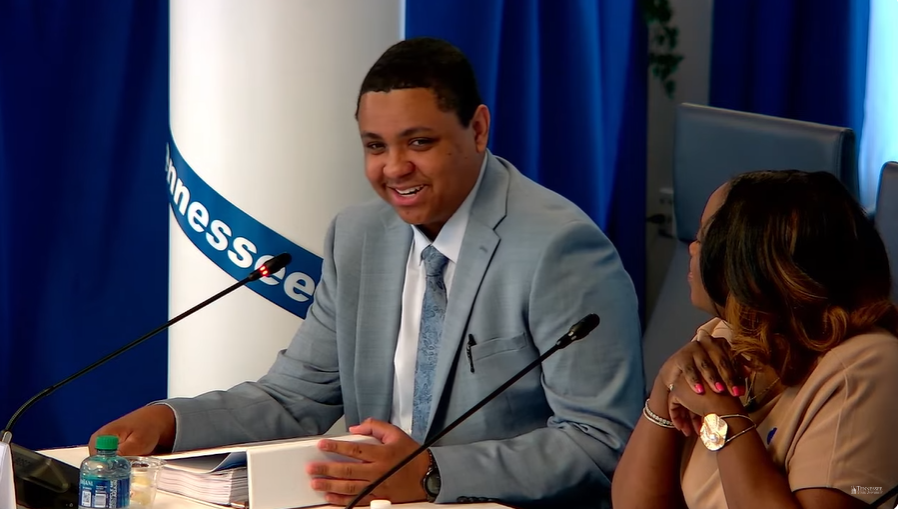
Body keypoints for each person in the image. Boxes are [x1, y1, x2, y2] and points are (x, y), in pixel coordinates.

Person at [91, 37, 644, 507]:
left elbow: (599, 442)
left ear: (477, 129)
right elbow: (295, 399)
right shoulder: (358, 237)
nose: (394, 168)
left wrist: (432, 474)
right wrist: (168, 420)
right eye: (375, 146)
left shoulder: (559, 248)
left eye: (419, 142)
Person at [612, 169, 898, 509]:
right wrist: (665, 386)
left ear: (753, 264)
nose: (692, 248)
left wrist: (723, 416)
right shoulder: (728, 337)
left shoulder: (866, 367)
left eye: (706, 238)